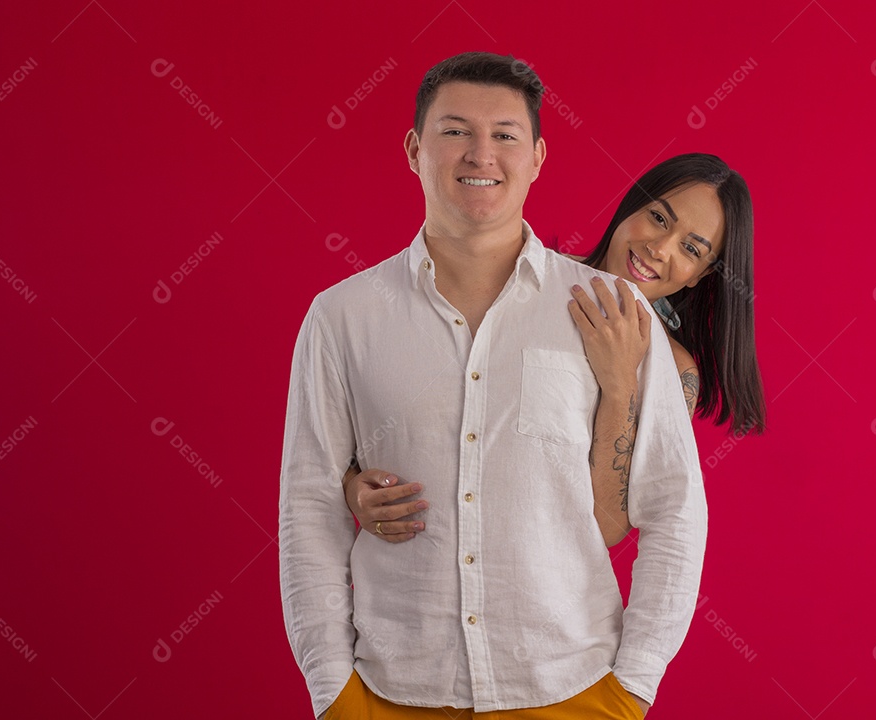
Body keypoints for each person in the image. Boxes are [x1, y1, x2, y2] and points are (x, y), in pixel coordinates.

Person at [279, 52, 704, 719]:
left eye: (505, 135)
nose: (482, 154)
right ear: (415, 149)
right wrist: (332, 691)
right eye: (455, 132)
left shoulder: (614, 310)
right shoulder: (342, 317)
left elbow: (675, 507)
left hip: (573, 692)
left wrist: (631, 688)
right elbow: (308, 507)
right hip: (392, 692)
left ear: (536, 156)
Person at [347, 153, 766, 547]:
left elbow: (606, 525)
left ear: (701, 275)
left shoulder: (673, 372)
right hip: (425, 568)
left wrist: (619, 384)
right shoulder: (522, 281)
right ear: (631, 207)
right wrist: (354, 488)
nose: (660, 249)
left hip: (545, 597)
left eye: (691, 249)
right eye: (658, 218)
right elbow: (406, 400)